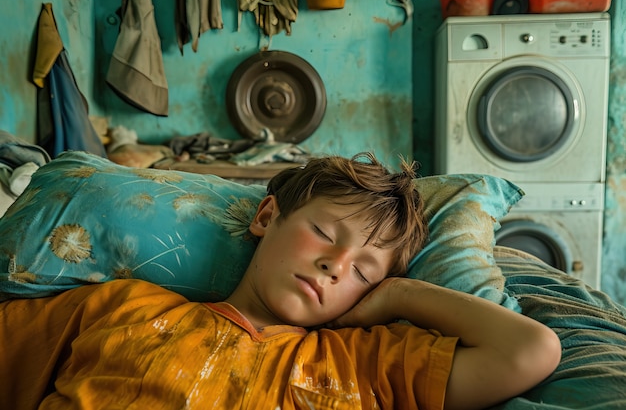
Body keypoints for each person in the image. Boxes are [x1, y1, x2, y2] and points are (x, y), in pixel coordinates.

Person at [0, 152, 561, 410]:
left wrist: (400, 295)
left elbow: (529, 350)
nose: (337, 265)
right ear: (266, 217)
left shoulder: (366, 364)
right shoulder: (123, 308)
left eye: (364, 270)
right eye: (323, 232)